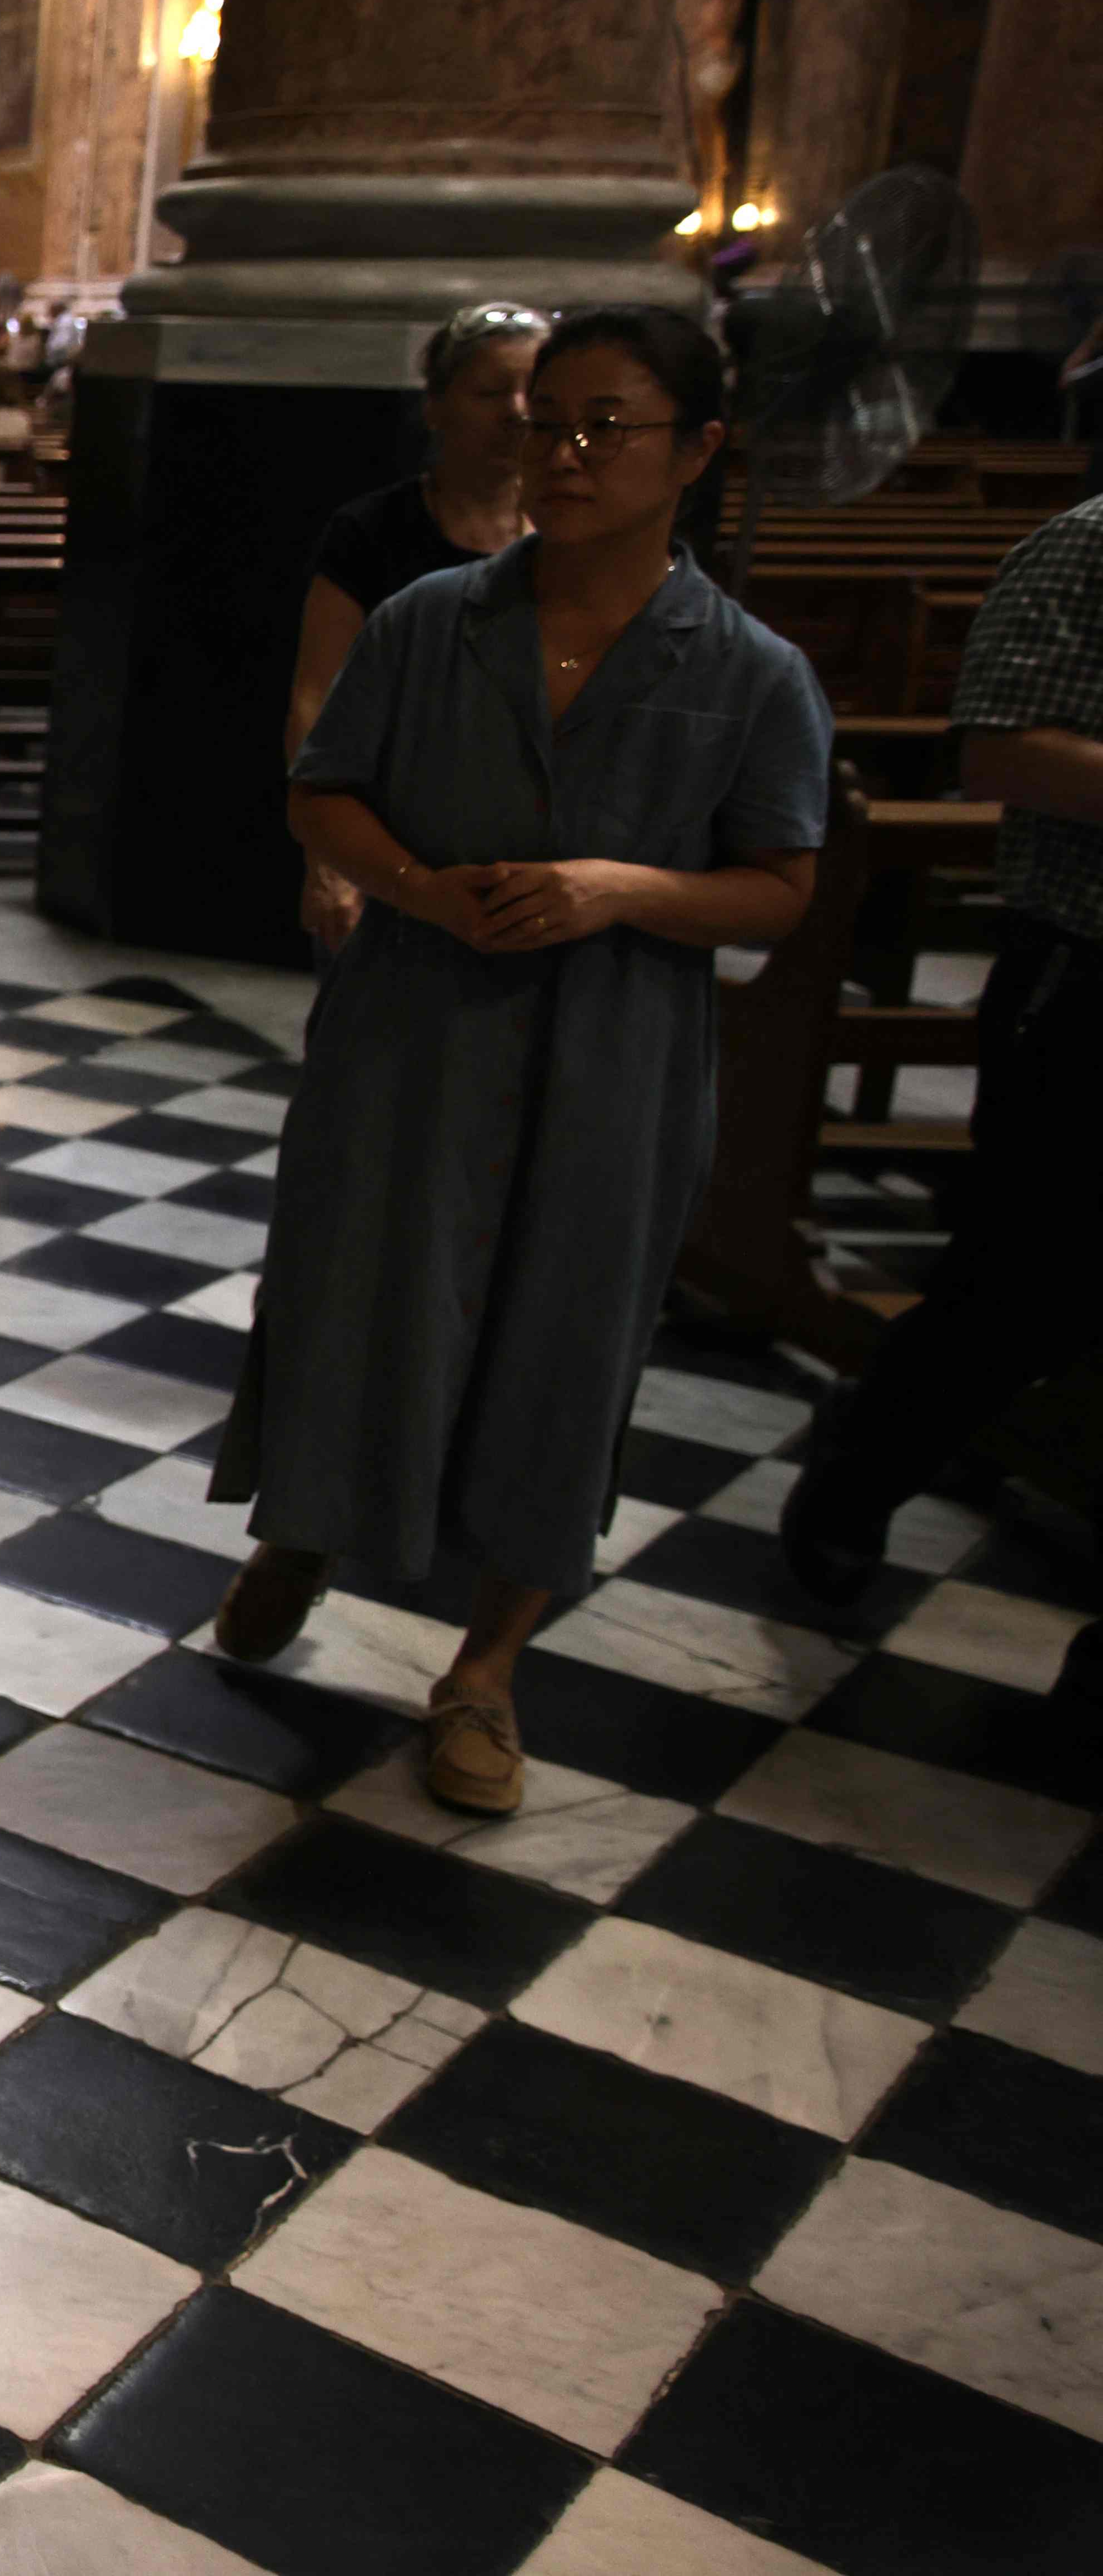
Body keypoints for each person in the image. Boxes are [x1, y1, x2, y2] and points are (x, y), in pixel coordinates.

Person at [211, 309, 831, 1813]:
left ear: (697, 451)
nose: (564, 452)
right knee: (365, 1288)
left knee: (567, 1339)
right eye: (548, 420)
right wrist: (422, 892)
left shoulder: (748, 670)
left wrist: (619, 890)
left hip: (614, 1046)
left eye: (606, 424)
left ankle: (486, 1670)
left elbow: (778, 888)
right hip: (417, 1025)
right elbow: (324, 794)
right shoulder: (433, 621)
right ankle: (309, 1520)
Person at [776, 487, 1103, 1604]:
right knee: (1019, 1278)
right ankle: (861, 1466)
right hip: (1085, 964)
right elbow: (1004, 751)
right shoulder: (1085, 541)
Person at [286, 302, 545, 947]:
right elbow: (315, 700)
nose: (515, 410)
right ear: (436, 406)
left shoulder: (577, 537)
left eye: (531, 393)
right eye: (489, 391)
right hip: (389, 839)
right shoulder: (372, 533)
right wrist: (327, 864)